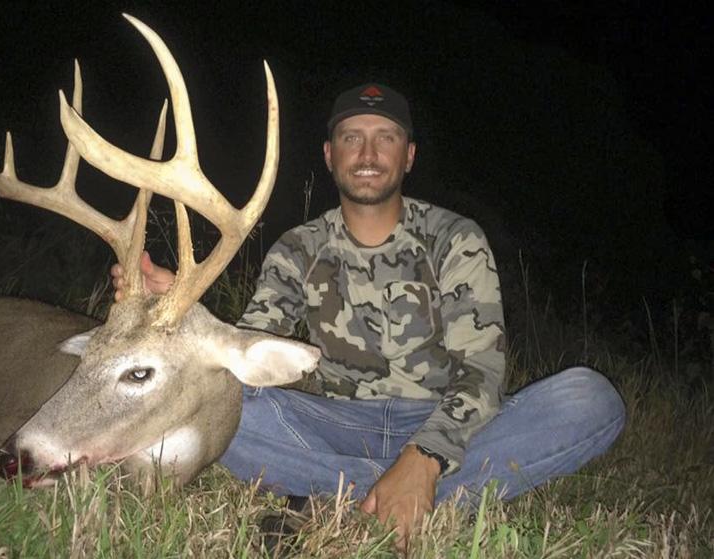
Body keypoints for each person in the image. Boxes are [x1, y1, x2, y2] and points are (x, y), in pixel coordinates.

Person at [112, 83, 626, 551]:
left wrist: (424, 456)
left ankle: (337, 496)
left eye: (385, 138)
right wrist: (184, 309)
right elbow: (252, 349)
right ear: (330, 156)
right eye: (352, 138)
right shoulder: (299, 247)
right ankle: (396, 499)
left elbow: (483, 373)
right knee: (214, 397)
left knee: (590, 398)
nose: (368, 153)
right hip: (334, 423)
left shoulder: (455, 238)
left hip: (442, 418)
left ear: (409, 156)